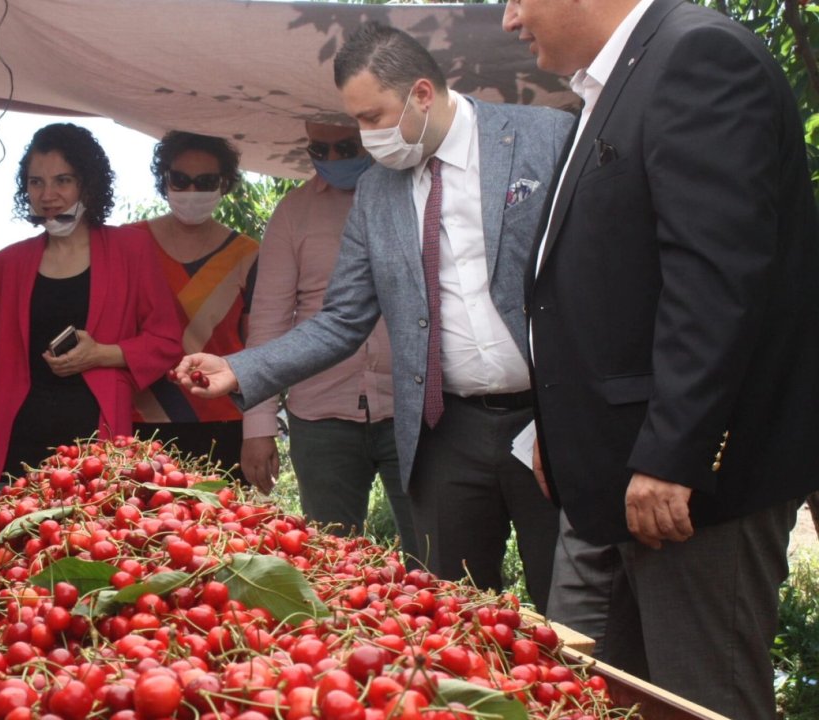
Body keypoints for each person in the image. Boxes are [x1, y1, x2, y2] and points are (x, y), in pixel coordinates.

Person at [172, 23, 572, 611]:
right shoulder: (379, 193)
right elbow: (342, 319)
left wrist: (577, 412)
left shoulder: (548, 138)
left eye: (372, 117)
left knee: (569, 605)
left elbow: (598, 281)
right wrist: (243, 369)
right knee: (455, 610)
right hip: (447, 429)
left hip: (548, 421)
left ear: (422, 94)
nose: (366, 136)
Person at [502, 0, 819, 715]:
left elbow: (715, 278)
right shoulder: (617, 82)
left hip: (688, 490)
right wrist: (557, 432)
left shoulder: (699, 57)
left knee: (700, 700)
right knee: (599, 695)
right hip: (613, 480)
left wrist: (674, 453)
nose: (509, 20)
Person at [0, 123, 184, 486]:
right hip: (20, 438)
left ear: (87, 184)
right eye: (36, 182)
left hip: (98, 439)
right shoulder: (8, 263)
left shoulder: (132, 249)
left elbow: (168, 341)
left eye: (62, 180)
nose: (48, 195)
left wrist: (102, 354)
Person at [240, 122, 418, 555]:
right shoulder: (293, 212)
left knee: (435, 557)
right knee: (331, 560)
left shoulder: (415, 193)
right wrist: (258, 426)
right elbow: (268, 322)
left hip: (411, 410)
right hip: (320, 418)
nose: (333, 160)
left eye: (346, 147)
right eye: (320, 150)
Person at [127, 132, 258, 481]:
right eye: (180, 180)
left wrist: (260, 432)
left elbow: (258, 349)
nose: (191, 191)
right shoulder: (128, 244)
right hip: (140, 425)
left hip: (224, 423)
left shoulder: (247, 255)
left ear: (224, 183)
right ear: (165, 179)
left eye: (205, 182)